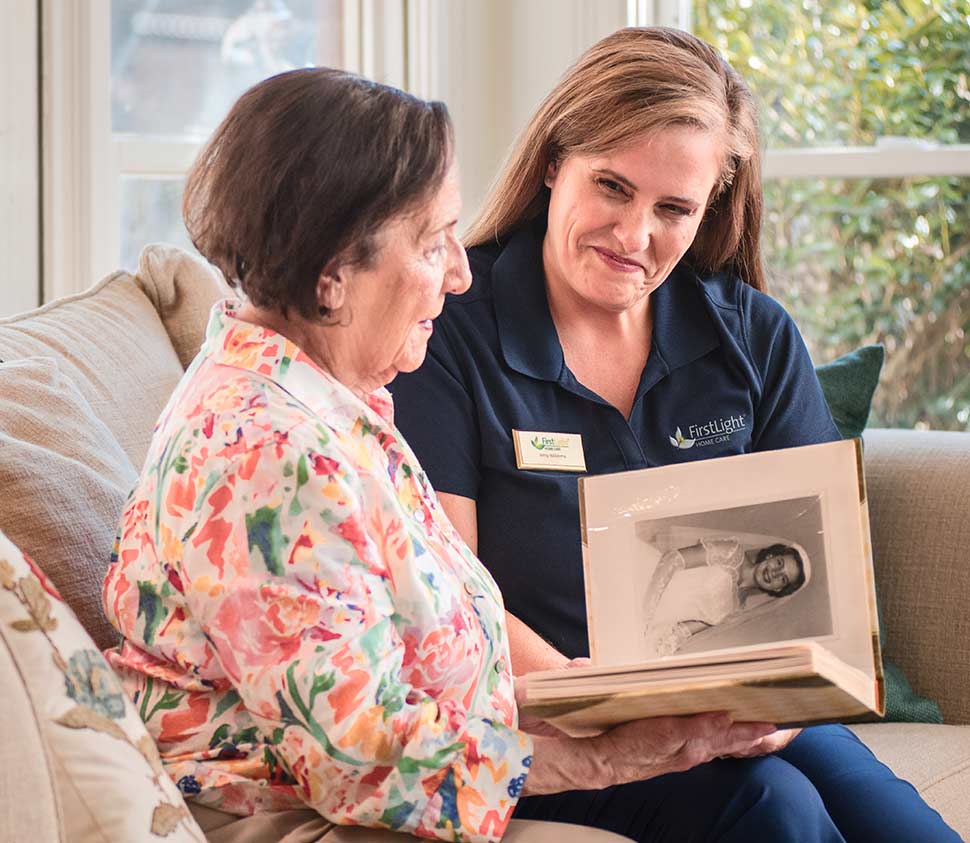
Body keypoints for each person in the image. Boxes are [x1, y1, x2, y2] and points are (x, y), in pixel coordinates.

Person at [101, 67, 780, 843]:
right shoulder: (271, 454)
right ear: (332, 277)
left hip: (403, 773)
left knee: (760, 801)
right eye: (432, 244)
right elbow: (358, 755)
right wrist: (609, 758)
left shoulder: (324, 397)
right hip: (309, 812)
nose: (461, 273)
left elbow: (397, 663)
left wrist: (591, 701)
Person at [390, 26, 960, 843]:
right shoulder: (447, 336)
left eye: (673, 209)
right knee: (776, 810)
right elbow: (447, 596)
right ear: (555, 162)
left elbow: (825, 597)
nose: (635, 237)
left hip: (740, 709)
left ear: (710, 208)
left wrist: (789, 709)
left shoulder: (752, 337)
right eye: (612, 187)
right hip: (562, 727)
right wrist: (621, 720)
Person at [639, 527, 810, 657]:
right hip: (645, 582)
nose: (775, 573)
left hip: (651, 624)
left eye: (783, 579)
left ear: (778, 589)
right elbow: (672, 560)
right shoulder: (732, 552)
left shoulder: (737, 609)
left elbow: (683, 630)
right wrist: (645, 613)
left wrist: (663, 647)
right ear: (770, 556)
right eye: (779, 563)